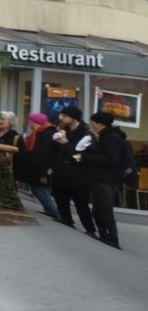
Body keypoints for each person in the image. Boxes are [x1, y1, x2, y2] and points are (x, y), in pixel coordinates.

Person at [75, 111, 126, 249]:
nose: (92, 127)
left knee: (105, 209)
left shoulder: (112, 138)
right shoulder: (105, 137)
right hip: (100, 179)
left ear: (100, 124)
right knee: (97, 210)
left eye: (93, 124)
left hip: (107, 180)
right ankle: (104, 235)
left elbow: (112, 159)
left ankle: (113, 239)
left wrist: (85, 157)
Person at [50, 105, 97, 237]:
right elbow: (56, 152)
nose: (62, 118)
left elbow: (79, 157)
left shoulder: (86, 135)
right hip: (61, 171)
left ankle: (90, 229)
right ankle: (66, 218)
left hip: (78, 174)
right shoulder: (63, 130)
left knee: (80, 202)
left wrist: (65, 144)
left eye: (65, 116)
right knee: (60, 195)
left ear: (74, 118)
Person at [19, 112, 61, 220]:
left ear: (38, 123)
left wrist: (44, 172)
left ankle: (57, 214)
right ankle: (50, 211)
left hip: (42, 170)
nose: (30, 125)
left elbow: (46, 155)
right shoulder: (39, 133)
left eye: (31, 122)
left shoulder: (46, 135)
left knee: (42, 192)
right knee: (38, 191)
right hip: (37, 169)